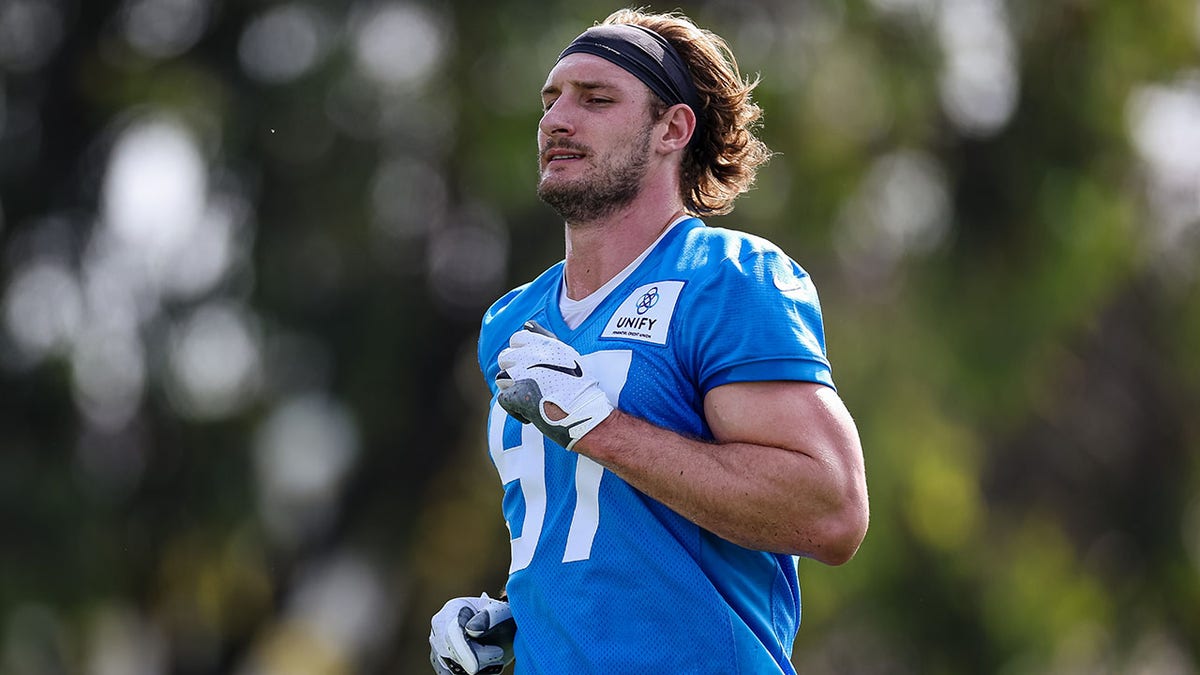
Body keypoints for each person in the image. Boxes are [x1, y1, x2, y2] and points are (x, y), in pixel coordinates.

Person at [430, 8, 869, 674]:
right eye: (551, 100)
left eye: (596, 99)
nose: (556, 120)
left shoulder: (725, 279)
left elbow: (832, 510)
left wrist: (600, 427)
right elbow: (610, 538)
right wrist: (519, 614)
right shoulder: (511, 323)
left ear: (672, 128)